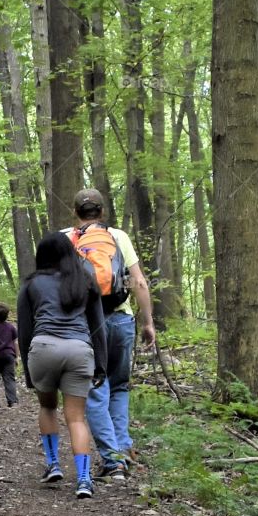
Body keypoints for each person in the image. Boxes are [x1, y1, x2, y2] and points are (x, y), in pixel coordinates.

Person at [72, 188, 156, 481]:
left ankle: (113, 461)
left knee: (96, 387)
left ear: (76, 212)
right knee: (119, 386)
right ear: (102, 211)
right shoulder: (118, 236)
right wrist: (148, 323)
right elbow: (139, 282)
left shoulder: (68, 238)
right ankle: (123, 448)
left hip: (87, 324)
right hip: (121, 319)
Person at [17, 232, 107, 499]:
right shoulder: (85, 282)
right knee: (77, 418)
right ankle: (83, 479)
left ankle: (53, 464)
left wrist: (27, 369)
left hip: (44, 348)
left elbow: (24, 331)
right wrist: (100, 365)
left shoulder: (31, 284)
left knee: (47, 406)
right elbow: (98, 327)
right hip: (80, 350)